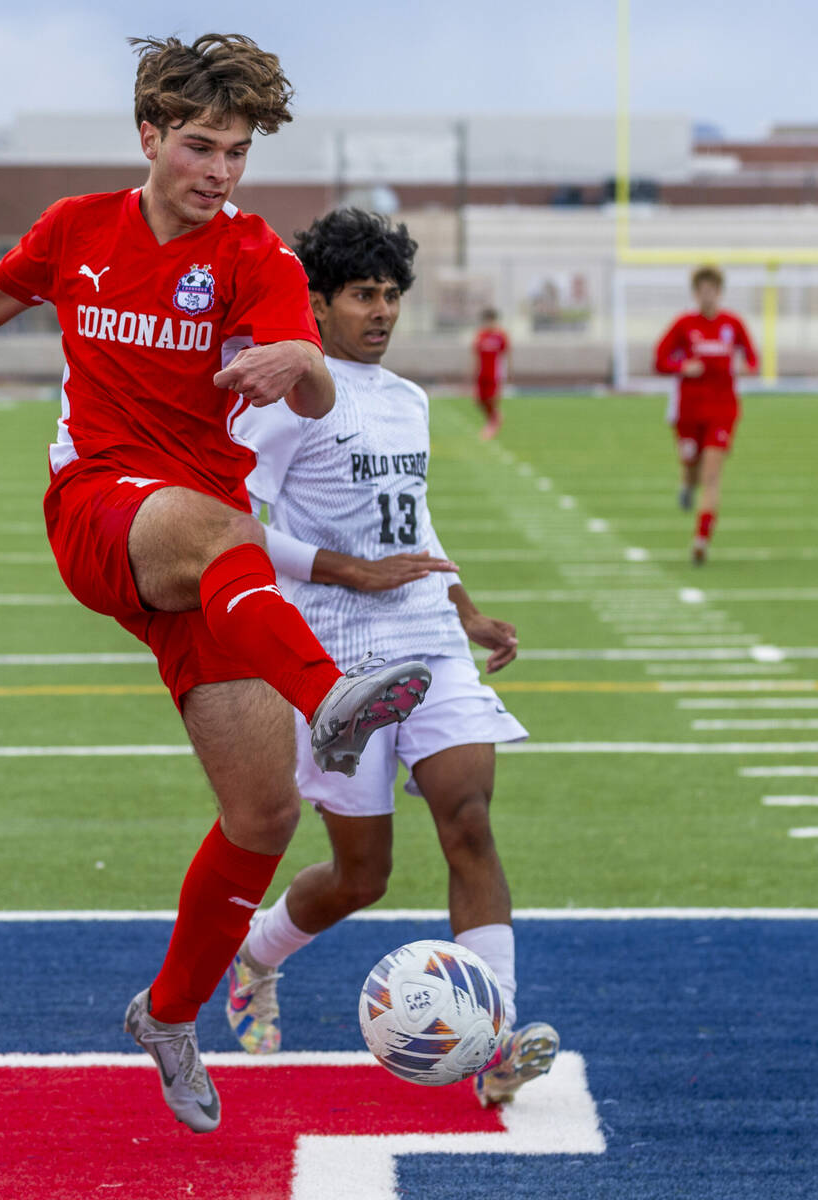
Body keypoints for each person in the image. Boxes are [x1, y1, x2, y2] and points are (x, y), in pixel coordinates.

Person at [0, 34, 432, 1135]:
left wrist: (302, 365)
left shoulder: (257, 257)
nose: (219, 171)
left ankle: (169, 1014)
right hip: (101, 509)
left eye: (234, 152)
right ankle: (329, 698)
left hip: (206, 568)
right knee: (223, 523)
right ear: (148, 136)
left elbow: (316, 390)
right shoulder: (80, 228)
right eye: (198, 146)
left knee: (266, 811)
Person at [228, 208, 559, 1106]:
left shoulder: (407, 398)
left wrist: (468, 607)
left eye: (390, 296)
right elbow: (233, 528)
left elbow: (409, 520)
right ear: (317, 304)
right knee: (360, 876)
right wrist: (348, 572)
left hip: (428, 638)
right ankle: (254, 960)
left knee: (469, 817)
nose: (380, 311)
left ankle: (493, 1043)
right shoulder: (288, 395)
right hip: (334, 659)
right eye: (361, 295)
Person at [654, 265, 758, 565]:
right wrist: (682, 367)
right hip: (688, 411)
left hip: (723, 410)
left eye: (712, 289)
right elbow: (659, 359)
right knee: (692, 469)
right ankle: (686, 484)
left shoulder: (732, 324)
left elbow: (751, 358)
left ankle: (701, 540)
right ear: (696, 293)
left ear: (719, 292)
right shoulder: (684, 325)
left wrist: (745, 367)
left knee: (712, 475)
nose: (707, 295)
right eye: (702, 290)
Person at [472, 306, 511, 439]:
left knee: (491, 399)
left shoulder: (501, 336)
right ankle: (495, 418)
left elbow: (506, 355)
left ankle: (492, 424)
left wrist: (508, 373)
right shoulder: (481, 336)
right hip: (482, 373)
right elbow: (475, 355)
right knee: (479, 401)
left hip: (495, 374)